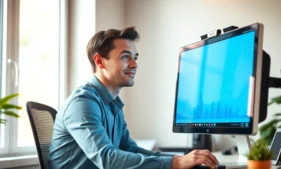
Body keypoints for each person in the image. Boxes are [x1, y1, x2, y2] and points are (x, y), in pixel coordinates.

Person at [48, 26, 219, 169]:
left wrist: (181, 160)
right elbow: (107, 158)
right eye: (125, 57)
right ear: (100, 61)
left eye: (135, 57)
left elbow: (130, 149)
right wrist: (175, 162)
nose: (134, 64)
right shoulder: (82, 103)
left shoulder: (112, 105)